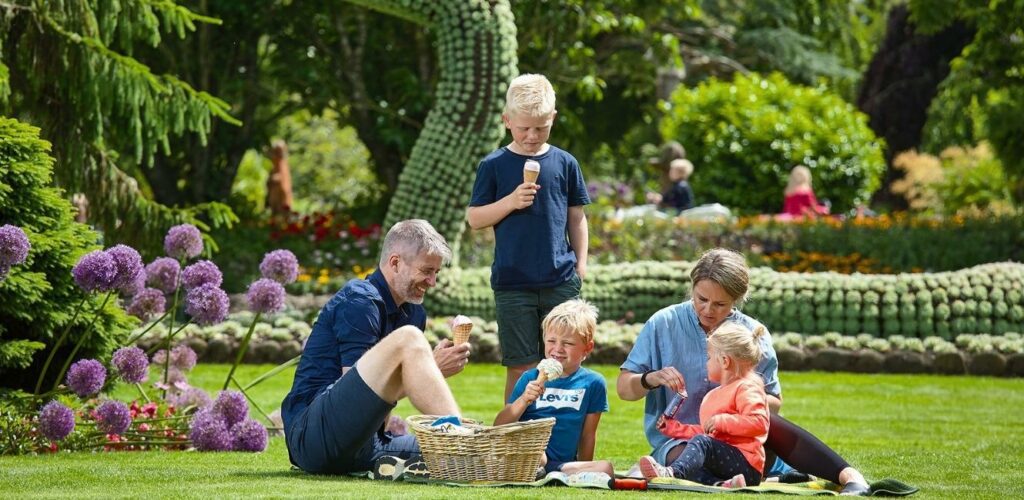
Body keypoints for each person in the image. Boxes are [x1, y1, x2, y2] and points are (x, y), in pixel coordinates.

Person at [616, 248, 871, 496]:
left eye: (720, 304)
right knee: (690, 453)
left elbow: (773, 405)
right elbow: (624, 389)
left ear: (737, 300)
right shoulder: (663, 323)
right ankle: (747, 480)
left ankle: (849, 477)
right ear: (691, 288)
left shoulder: (751, 333)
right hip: (681, 444)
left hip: (743, 444)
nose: (708, 310)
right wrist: (650, 379)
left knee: (771, 423)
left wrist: (739, 398)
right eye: (701, 299)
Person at [281, 219, 472, 475]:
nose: (432, 281)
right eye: (427, 271)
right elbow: (355, 399)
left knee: (460, 457)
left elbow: (375, 413)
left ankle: (487, 450)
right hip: (313, 439)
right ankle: (461, 435)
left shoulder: (414, 313)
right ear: (395, 263)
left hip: (365, 445)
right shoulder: (360, 301)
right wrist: (433, 368)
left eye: (436, 272)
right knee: (410, 338)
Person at [468, 73, 591, 402]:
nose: (532, 135)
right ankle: (515, 438)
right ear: (507, 121)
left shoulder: (565, 163)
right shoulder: (493, 165)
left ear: (553, 117)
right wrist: (511, 201)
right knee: (522, 367)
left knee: (564, 364)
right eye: (524, 128)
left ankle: (561, 433)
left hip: (560, 280)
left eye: (541, 127)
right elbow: (474, 218)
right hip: (513, 283)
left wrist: (580, 265)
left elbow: (577, 217)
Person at [638, 322, 770, 488]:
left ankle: (672, 474)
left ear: (724, 361)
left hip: (747, 465)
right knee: (694, 460)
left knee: (702, 444)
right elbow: (707, 431)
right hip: (727, 466)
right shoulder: (714, 395)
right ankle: (722, 484)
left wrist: (722, 421)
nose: (706, 363)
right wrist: (675, 429)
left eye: (708, 357)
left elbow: (759, 423)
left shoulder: (746, 387)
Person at [494, 299, 613, 476]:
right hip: (527, 453)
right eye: (551, 341)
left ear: (587, 348)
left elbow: (588, 434)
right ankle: (537, 469)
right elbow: (499, 426)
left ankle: (549, 472)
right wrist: (523, 400)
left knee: (605, 469)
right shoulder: (530, 377)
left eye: (568, 343)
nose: (557, 349)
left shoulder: (593, 383)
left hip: (561, 463)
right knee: (538, 455)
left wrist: (586, 472)